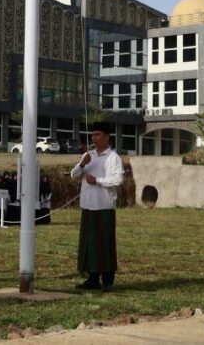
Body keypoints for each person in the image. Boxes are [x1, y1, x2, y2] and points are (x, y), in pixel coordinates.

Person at [70, 122, 124, 292]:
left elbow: (117, 180)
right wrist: (82, 164)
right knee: (88, 244)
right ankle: (92, 278)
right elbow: (74, 176)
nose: (94, 138)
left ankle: (107, 280)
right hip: (88, 206)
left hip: (104, 207)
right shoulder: (89, 155)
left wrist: (98, 181)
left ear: (107, 136)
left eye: (98, 134)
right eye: (93, 135)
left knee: (105, 244)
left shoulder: (113, 157)